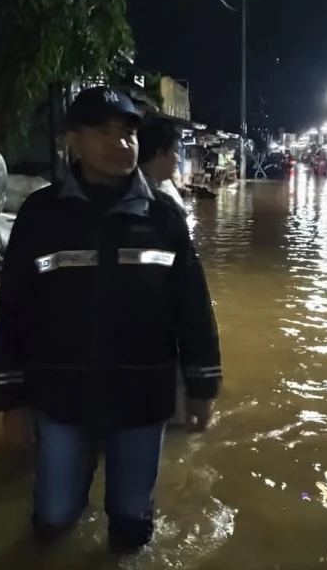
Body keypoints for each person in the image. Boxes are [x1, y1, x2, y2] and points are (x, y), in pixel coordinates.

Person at [0, 86, 222, 553]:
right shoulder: (41, 215)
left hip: (141, 395)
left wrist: (202, 386)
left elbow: (192, 304)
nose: (122, 144)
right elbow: (14, 308)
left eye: (129, 133)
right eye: (104, 132)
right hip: (61, 394)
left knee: (131, 530)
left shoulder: (162, 216)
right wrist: (11, 399)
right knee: (52, 519)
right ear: (72, 139)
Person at [137, 116, 188, 425]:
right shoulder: (156, 201)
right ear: (159, 154)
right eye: (175, 151)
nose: (178, 159)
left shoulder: (162, 192)